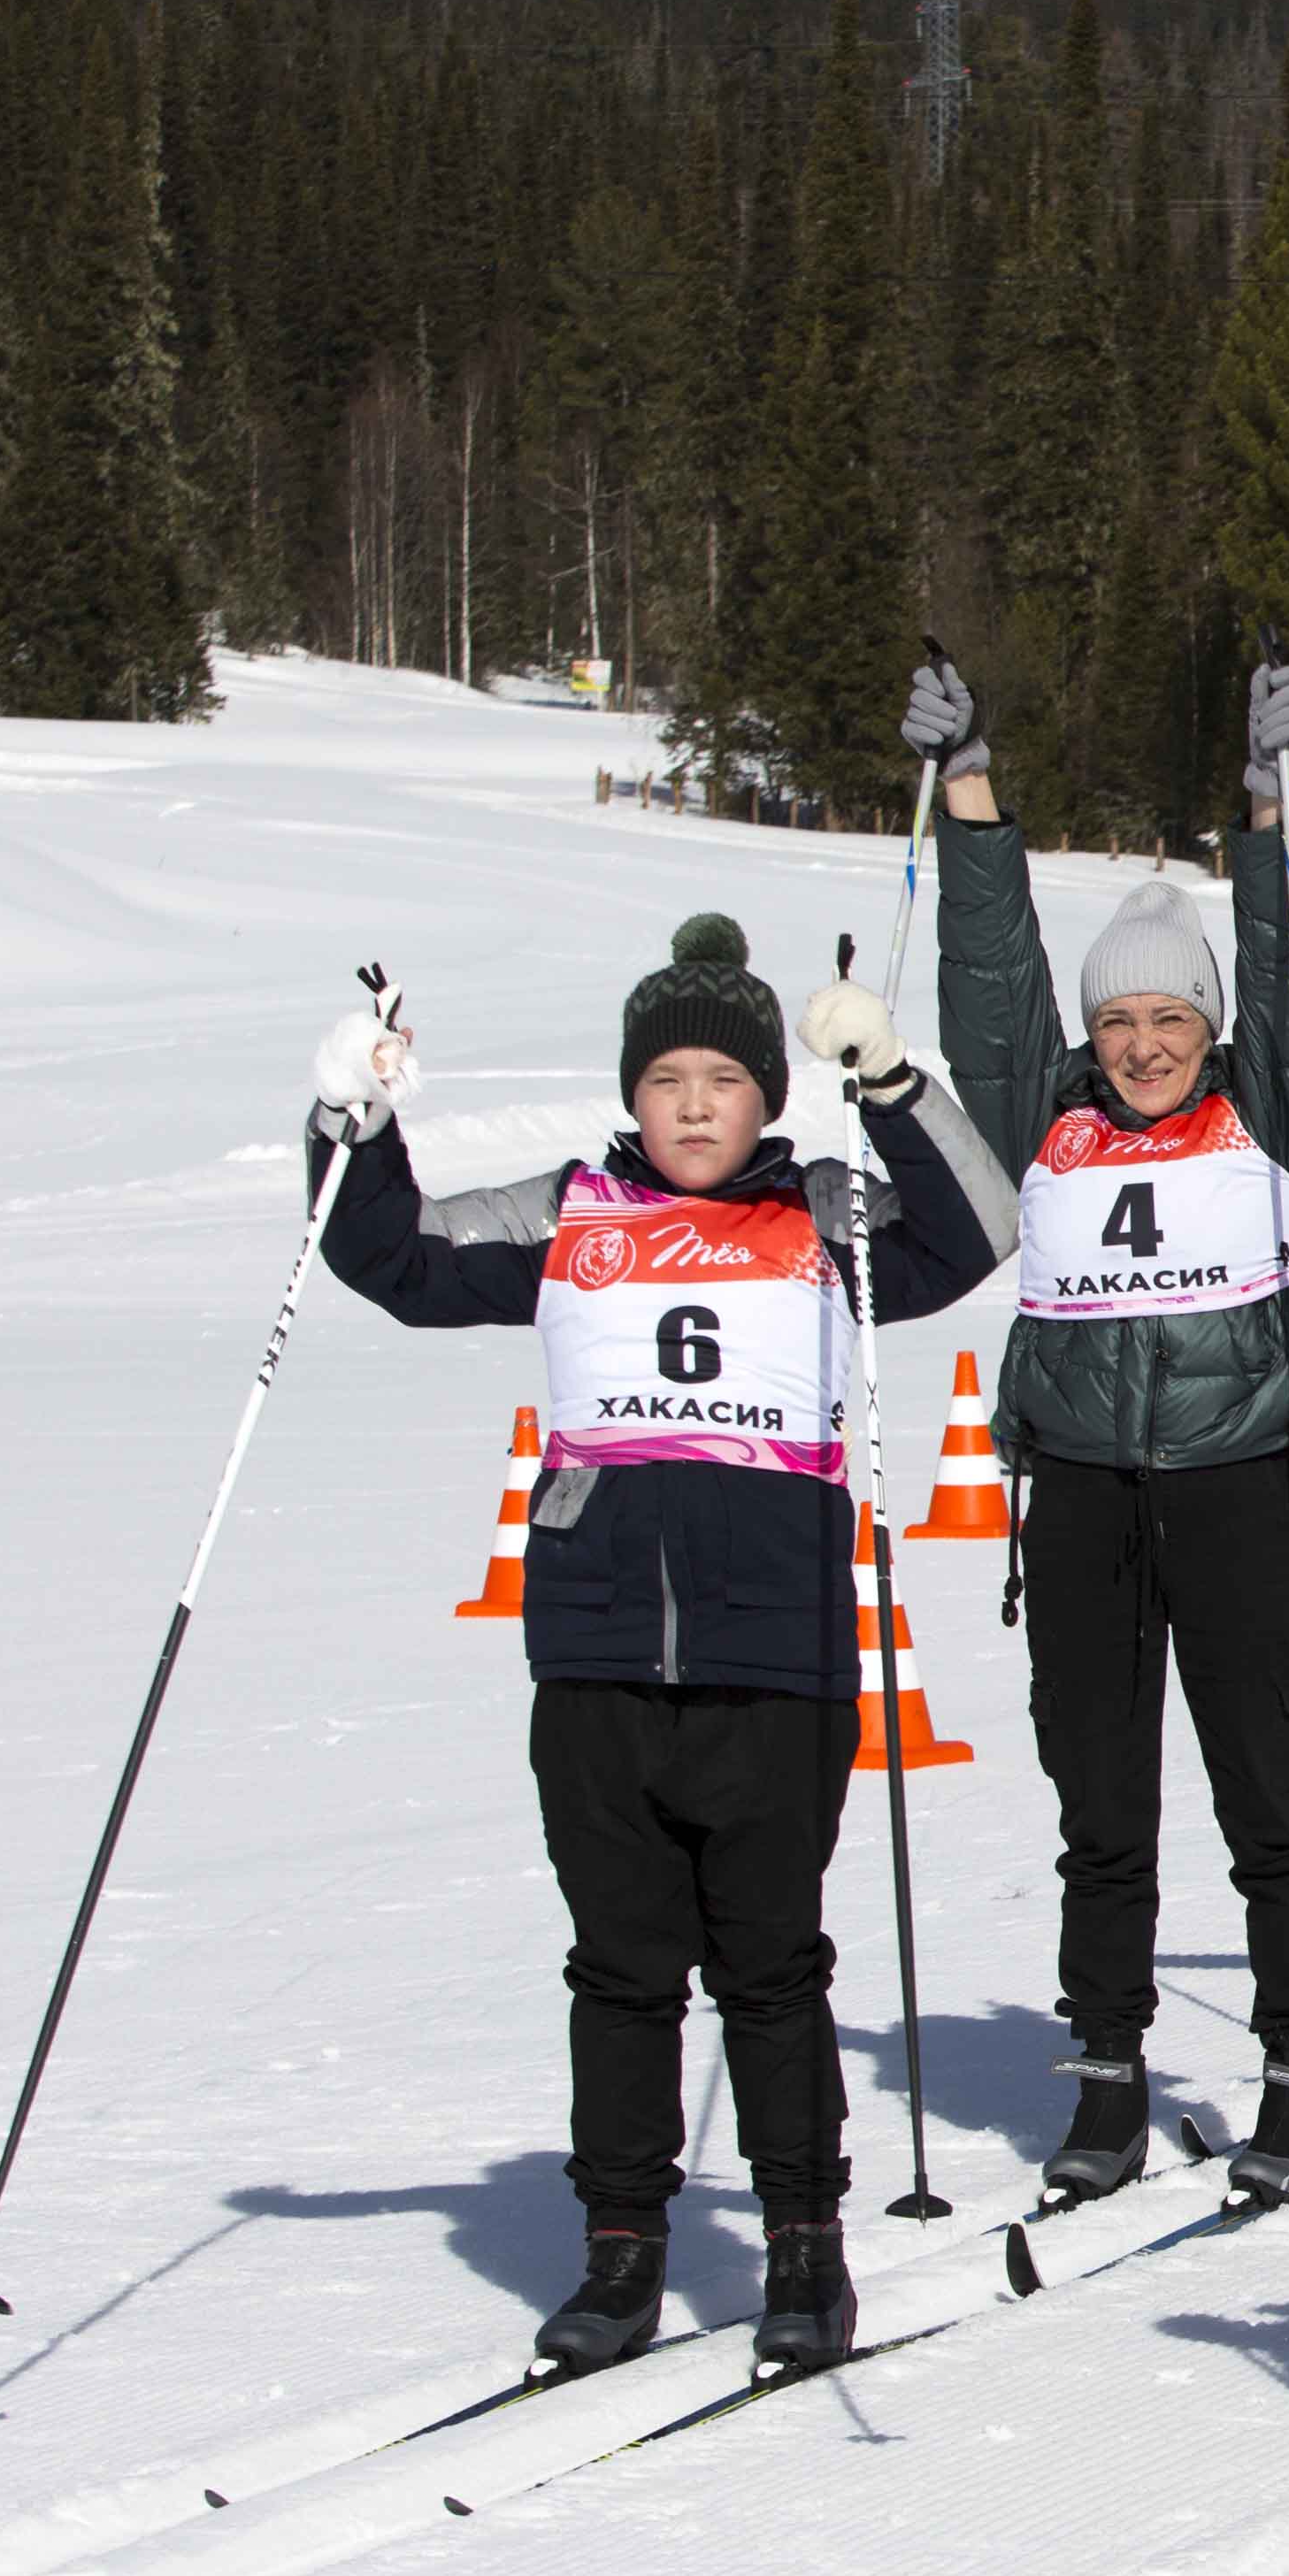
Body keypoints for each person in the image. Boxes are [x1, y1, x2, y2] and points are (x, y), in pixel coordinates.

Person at [304, 915, 1012, 2377]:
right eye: (669, 1077)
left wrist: (891, 1081)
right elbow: (384, 1251)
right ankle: (620, 2252)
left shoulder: (825, 1214)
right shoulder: (568, 1210)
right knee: (622, 1969)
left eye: (726, 1079)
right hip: (600, 1652)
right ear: (634, 1092)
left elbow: (981, 1233)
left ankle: (806, 2251)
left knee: (769, 1965)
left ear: (769, 1093)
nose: (694, 1103)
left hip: (779, 1657)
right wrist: (350, 1117)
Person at [924, 653, 1289, 2211]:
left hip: (1235, 1480)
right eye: (1123, 1018)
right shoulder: (1044, 1110)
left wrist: (1269, 809)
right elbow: (988, 979)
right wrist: (970, 791)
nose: (1145, 1042)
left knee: (1267, 1797)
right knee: (1099, 1804)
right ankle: (1107, 2073)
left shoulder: (1265, 1101)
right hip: (1087, 1497)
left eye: (1170, 1015)